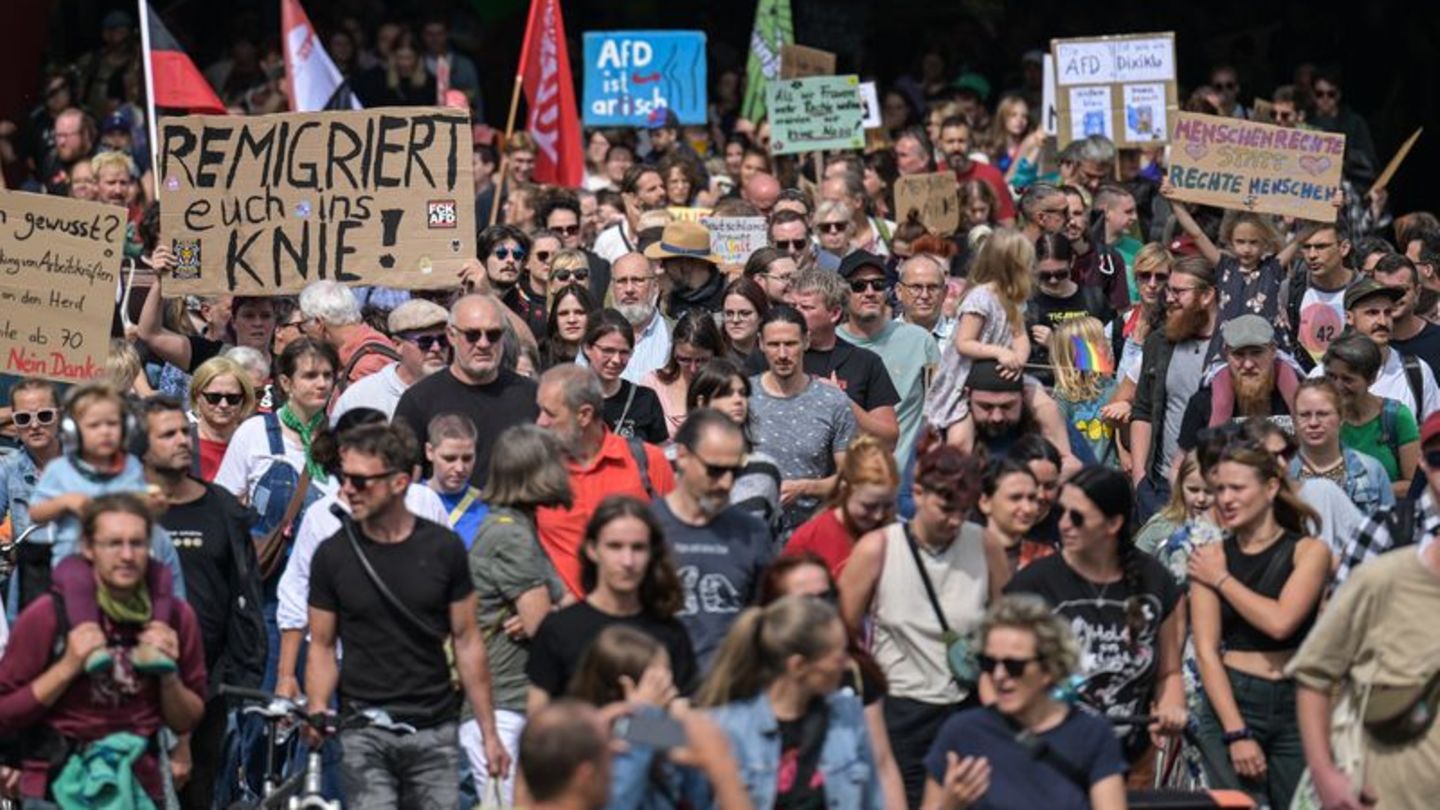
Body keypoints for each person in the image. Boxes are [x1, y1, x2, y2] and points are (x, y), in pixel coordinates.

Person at [304, 422, 510, 806]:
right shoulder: (332, 555)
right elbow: (322, 645)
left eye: (361, 481)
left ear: (399, 483)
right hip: (362, 726)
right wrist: (317, 705)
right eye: (345, 478)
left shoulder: (443, 549)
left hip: (433, 725)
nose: (347, 490)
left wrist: (488, 732)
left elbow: (467, 641)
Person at [0, 494, 207, 806]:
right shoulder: (48, 615)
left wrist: (168, 677)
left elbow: (189, 717)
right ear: (88, 547)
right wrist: (67, 666)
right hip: (57, 785)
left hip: (140, 786)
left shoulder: (174, 617)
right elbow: (6, 709)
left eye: (137, 543)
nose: (126, 555)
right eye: (113, 543)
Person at [839, 437, 1007, 806]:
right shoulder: (878, 548)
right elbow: (842, 638)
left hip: (966, 706)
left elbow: (1007, 629)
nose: (954, 520)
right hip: (901, 710)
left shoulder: (984, 544)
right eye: (946, 507)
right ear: (917, 492)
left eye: (964, 510)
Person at [133, 396, 265, 808]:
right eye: (167, 434)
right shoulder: (123, 511)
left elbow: (244, 594)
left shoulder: (223, 508)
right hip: (133, 685)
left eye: (184, 432)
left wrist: (237, 670)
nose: (182, 441)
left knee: (199, 791)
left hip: (206, 688)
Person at [1006, 466, 1187, 766]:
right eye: (1060, 512)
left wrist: (1171, 706)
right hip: (1051, 756)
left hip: (1130, 755)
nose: (1063, 524)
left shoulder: (1155, 581)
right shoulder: (1033, 585)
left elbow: (1169, 672)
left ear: (1113, 523)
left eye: (1077, 517)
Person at [1186, 436, 1331, 808]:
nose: (1226, 499)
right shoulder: (1209, 557)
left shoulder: (1309, 551)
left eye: (1237, 488)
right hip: (1231, 698)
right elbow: (1205, 650)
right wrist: (1237, 731)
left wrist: (1222, 580)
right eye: (1219, 489)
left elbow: (1281, 622)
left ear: (1269, 488)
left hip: (1295, 698)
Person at [273, 408, 449, 703]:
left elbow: (451, 584)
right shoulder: (323, 517)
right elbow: (295, 595)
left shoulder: (423, 502)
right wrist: (286, 676)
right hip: (342, 668)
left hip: (417, 669)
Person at [919, 594, 1128, 810]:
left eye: (1014, 666)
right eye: (989, 663)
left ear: (1049, 668)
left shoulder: (1091, 735)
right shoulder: (962, 732)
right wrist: (948, 806)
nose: (999, 675)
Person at [464, 424, 572, 804]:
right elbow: (548, 633)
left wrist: (553, 608)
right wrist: (551, 613)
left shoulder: (512, 526)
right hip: (504, 710)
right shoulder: (511, 536)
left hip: (513, 708)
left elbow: (557, 609)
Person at [699, 595, 885, 809]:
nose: (847, 665)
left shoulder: (848, 718)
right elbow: (654, 732)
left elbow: (874, 801)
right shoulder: (728, 726)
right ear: (798, 666)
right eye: (838, 656)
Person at [527, 497, 697, 709]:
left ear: (652, 553)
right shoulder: (558, 630)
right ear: (592, 550)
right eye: (615, 547)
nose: (627, 561)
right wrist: (632, 713)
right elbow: (538, 728)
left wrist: (643, 721)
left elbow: (681, 730)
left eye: (638, 548)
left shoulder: (671, 633)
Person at [28, 384, 186, 597]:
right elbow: (35, 513)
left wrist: (152, 504)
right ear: (72, 431)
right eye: (94, 425)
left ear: (126, 428)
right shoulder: (60, 469)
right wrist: (64, 502)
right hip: (75, 566)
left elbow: (140, 508)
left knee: (161, 575)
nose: (105, 432)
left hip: (123, 565)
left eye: (112, 424)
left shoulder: (131, 466)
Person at [535, 365, 675, 598]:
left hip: (634, 619)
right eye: (539, 411)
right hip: (563, 621)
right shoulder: (535, 469)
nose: (540, 422)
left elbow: (673, 540)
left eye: (550, 413)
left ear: (584, 415)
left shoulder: (647, 461)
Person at [654, 410, 773, 668]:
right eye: (715, 470)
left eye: (735, 471)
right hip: (660, 690)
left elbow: (764, 616)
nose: (726, 483)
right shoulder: (646, 527)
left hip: (732, 691)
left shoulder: (753, 533)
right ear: (683, 456)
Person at [394, 294, 540, 488]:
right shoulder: (419, 400)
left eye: (493, 335)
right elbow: (402, 478)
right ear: (451, 336)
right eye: (472, 335)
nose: (483, 344)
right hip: (447, 517)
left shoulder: (531, 395)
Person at [748, 306, 858, 535]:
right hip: (751, 534)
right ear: (760, 344)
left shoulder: (833, 402)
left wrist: (806, 487)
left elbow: (849, 480)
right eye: (773, 345)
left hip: (810, 533)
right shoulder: (741, 397)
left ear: (806, 341)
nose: (782, 354)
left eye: (790, 344)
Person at [1131, 255, 1223, 520]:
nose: (1169, 297)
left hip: (1215, 489)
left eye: (1179, 291)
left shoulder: (1232, 349)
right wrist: (1140, 479)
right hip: (1161, 488)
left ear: (1206, 296)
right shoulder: (1159, 342)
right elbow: (1143, 410)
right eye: (1169, 289)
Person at [924, 228, 1034, 440]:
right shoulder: (980, 298)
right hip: (963, 381)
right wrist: (999, 352)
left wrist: (1018, 359)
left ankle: (1065, 455)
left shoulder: (1014, 299)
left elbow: (1020, 336)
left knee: (1045, 405)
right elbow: (964, 343)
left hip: (1000, 375)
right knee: (960, 434)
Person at [839, 251, 942, 470]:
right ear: (842, 293)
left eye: (877, 284)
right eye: (859, 286)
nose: (870, 292)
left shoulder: (920, 341)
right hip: (848, 479)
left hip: (903, 479)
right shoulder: (831, 343)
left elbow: (939, 409)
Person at [783, 264, 901, 447]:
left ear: (834, 313)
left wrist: (842, 402)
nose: (794, 314)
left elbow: (889, 438)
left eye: (806, 307)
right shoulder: (771, 356)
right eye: (792, 306)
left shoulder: (864, 362)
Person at [1176, 314, 1301, 455]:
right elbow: (1179, 468)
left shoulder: (1300, 397)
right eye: (1239, 355)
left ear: (1273, 351)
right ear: (1226, 353)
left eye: (1256, 353)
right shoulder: (1204, 402)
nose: (1248, 364)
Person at [687, 359, 783, 530]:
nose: (738, 400)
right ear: (702, 402)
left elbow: (771, 537)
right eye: (726, 394)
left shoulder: (764, 468)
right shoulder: (671, 463)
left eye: (742, 393)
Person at [784, 436, 899, 579]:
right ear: (845, 489)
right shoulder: (809, 538)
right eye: (869, 506)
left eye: (888, 506)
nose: (878, 515)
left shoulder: (897, 538)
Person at [1323, 332, 1421, 499]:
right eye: (1331, 376)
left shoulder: (1397, 417)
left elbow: (1412, 484)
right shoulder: (1321, 417)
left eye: (1348, 379)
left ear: (1371, 379)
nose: (1337, 386)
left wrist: (1361, 491)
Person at [1329, 277, 1440, 422]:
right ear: (1349, 318)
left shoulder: (1417, 372)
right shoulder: (1326, 375)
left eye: (1387, 313)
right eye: (1372, 313)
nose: (1382, 322)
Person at [331, 299, 450, 421]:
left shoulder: (462, 389)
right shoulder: (361, 398)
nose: (436, 348)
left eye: (443, 340)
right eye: (425, 342)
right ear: (398, 345)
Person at [1290, 379, 1394, 517]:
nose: (1313, 423)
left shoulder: (1372, 471)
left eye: (1323, 414)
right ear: (1294, 420)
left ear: (1341, 417)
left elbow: (1389, 531)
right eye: (1304, 415)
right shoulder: (1282, 474)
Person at [0, 379, 63, 592]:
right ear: (15, 423)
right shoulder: (8, 468)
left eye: (44, 415)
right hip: (31, 580)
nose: (34, 425)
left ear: (59, 415)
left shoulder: (85, 462)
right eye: (23, 418)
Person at [582, 309, 668, 444]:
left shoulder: (645, 399)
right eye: (608, 350)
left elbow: (661, 452)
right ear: (587, 348)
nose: (616, 359)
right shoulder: (570, 397)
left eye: (624, 352)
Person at [1282, 219, 1357, 369]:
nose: (1312, 255)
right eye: (1306, 247)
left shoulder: (1365, 289)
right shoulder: (1289, 290)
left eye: (1321, 247)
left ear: (1344, 248)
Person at [297, 280, 398, 392]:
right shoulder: (352, 356)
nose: (303, 333)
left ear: (318, 323)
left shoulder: (369, 365)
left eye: (303, 325)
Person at [640, 312, 724, 441]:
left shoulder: (726, 386)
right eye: (684, 360)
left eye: (701, 360)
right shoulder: (653, 384)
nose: (693, 369)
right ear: (674, 352)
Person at [1048, 317, 1120, 466]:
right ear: (1077, 351)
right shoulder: (1062, 396)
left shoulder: (1112, 387)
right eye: (1101, 341)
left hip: (1111, 474)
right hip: (1080, 476)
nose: (1108, 344)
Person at [593, 253, 672, 383]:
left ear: (655, 286)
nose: (629, 289)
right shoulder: (595, 335)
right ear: (612, 288)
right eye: (622, 281)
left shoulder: (672, 335)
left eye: (638, 280)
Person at [1134, 450, 1215, 561]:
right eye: (1193, 490)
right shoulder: (1160, 528)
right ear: (1180, 487)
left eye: (1209, 491)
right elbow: (1134, 567)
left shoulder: (1232, 532)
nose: (1201, 499)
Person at [186, 357, 256, 482]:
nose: (223, 405)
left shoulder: (255, 445)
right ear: (197, 396)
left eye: (232, 398)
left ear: (244, 399)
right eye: (214, 397)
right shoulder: (182, 444)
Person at [936, 117, 1017, 225]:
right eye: (950, 142)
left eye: (961, 141)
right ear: (940, 144)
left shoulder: (991, 175)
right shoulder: (932, 175)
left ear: (970, 142)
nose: (956, 147)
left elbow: (1007, 222)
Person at [424, 414, 490, 547]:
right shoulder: (408, 500)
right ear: (430, 452)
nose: (460, 468)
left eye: (467, 458)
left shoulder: (486, 508)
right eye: (449, 458)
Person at [980, 458, 1046, 574]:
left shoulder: (1047, 559)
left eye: (1032, 498)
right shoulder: (962, 556)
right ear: (985, 502)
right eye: (1015, 498)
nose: (1027, 508)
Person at [594, 165, 667, 263]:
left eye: (662, 186)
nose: (662, 192)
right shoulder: (608, 240)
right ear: (632, 198)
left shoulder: (673, 235)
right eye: (652, 189)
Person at [896, 254, 957, 346]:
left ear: (945, 292)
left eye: (933, 288)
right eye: (916, 287)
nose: (925, 295)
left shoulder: (959, 336)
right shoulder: (884, 338)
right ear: (899, 291)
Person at [538, 283, 597, 371]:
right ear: (555, 319)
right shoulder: (540, 358)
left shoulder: (604, 356)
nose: (572, 320)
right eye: (563, 314)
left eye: (579, 312)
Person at [720, 276, 770, 366]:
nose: (735, 320)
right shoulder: (715, 362)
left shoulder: (773, 359)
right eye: (729, 313)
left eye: (745, 313)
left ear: (761, 316)